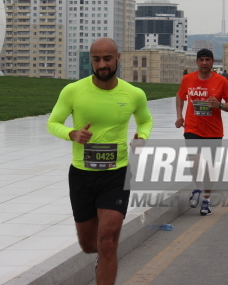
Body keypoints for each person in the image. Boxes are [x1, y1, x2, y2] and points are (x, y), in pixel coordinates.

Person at [47, 38, 152, 285]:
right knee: (88, 243)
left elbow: (145, 120)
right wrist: (72, 134)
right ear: (90, 61)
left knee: (108, 239)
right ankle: (101, 257)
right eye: (96, 59)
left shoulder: (134, 93)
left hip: (116, 174)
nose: (102, 64)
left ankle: (105, 260)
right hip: (82, 174)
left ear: (118, 58)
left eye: (107, 58)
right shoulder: (73, 91)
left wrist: (142, 137)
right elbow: (53, 122)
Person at [175, 48, 228, 215]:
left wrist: (220, 105)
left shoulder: (221, 81)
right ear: (197, 62)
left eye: (207, 60)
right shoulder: (188, 79)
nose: (204, 63)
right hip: (192, 127)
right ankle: (197, 188)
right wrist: (179, 116)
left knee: (209, 167)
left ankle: (206, 200)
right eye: (201, 60)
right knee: (195, 160)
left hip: (213, 131)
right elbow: (180, 96)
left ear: (212, 62)